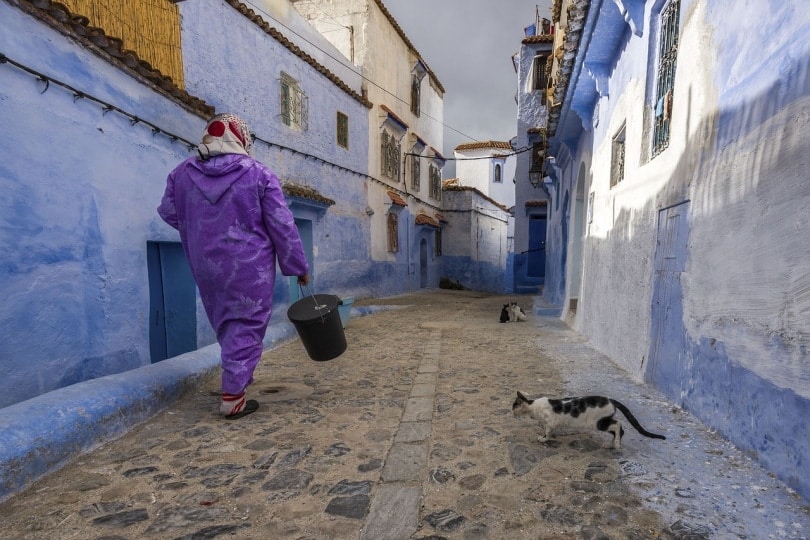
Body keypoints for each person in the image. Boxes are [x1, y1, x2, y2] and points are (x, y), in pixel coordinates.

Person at [158, 113, 309, 419]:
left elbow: (169, 213)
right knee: (248, 323)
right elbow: (282, 225)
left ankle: (240, 376)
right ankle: (233, 398)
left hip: (206, 264)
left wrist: (202, 229)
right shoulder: (258, 174)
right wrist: (297, 266)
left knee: (226, 322)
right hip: (249, 266)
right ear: (240, 138)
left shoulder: (181, 174)